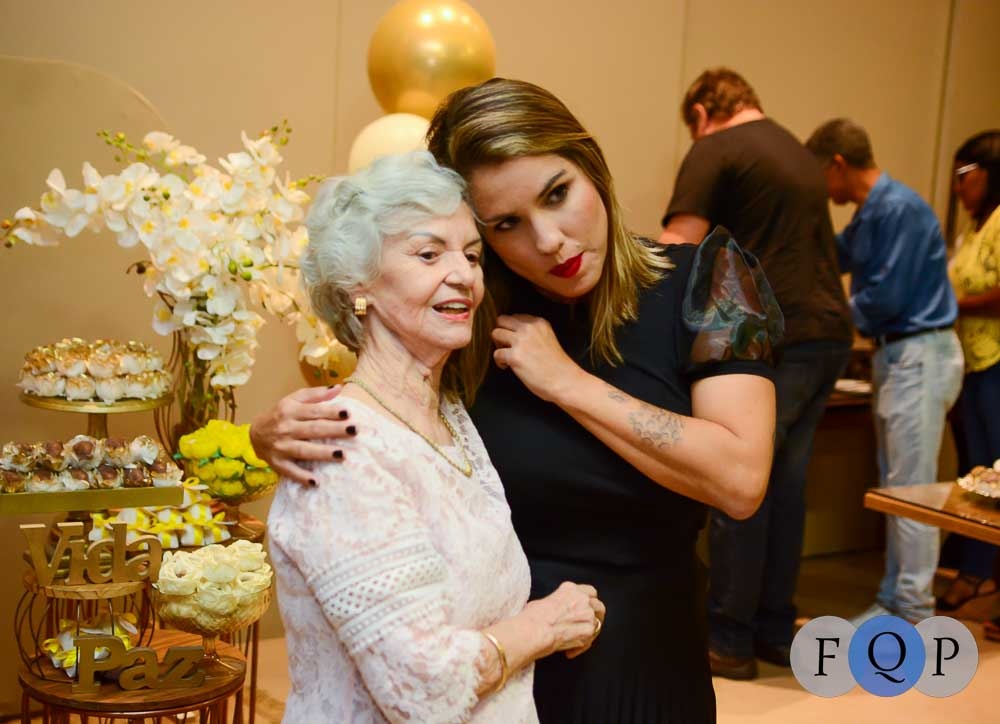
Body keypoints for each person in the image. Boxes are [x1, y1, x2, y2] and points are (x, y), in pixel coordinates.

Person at [253, 78, 781, 723]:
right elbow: (390, 421)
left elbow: (740, 480)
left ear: (591, 165)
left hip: (644, 661)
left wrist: (567, 383)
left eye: (557, 194)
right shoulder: (473, 312)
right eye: (506, 225)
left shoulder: (704, 281)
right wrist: (272, 432)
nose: (550, 240)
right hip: (492, 675)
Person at [267, 151, 606, 723]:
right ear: (358, 285)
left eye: (471, 255)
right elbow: (421, 688)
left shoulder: (450, 416)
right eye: (428, 254)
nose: (464, 275)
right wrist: (547, 624)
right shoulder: (340, 446)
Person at [658, 67, 853, 679]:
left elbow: (679, 244)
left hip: (774, 335)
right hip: (828, 333)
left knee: (738, 479)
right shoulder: (797, 151)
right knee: (785, 485)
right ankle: (773, 628)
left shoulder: (715, 147)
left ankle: (729, 638)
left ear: (700, 114)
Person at [805, 118, 964, 624]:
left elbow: (885, 298)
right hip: (900, 355)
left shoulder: (899, 208)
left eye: (818, 176)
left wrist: (824, 314)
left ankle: (912, 608)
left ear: (837, 164)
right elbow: (836, 255)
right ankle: (896, 597)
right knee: (897, 486)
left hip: (920, 353)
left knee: (911, 490)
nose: (821, 189)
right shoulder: (873, 211)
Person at [937, 130, 1000, 626]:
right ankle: (976, 570)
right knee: (977, 473)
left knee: (995, 475)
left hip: (997, 363)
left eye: (965, 175)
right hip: (973, 365)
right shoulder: (975, 228)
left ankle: (983, 575)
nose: (958, 186)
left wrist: (953, 306)